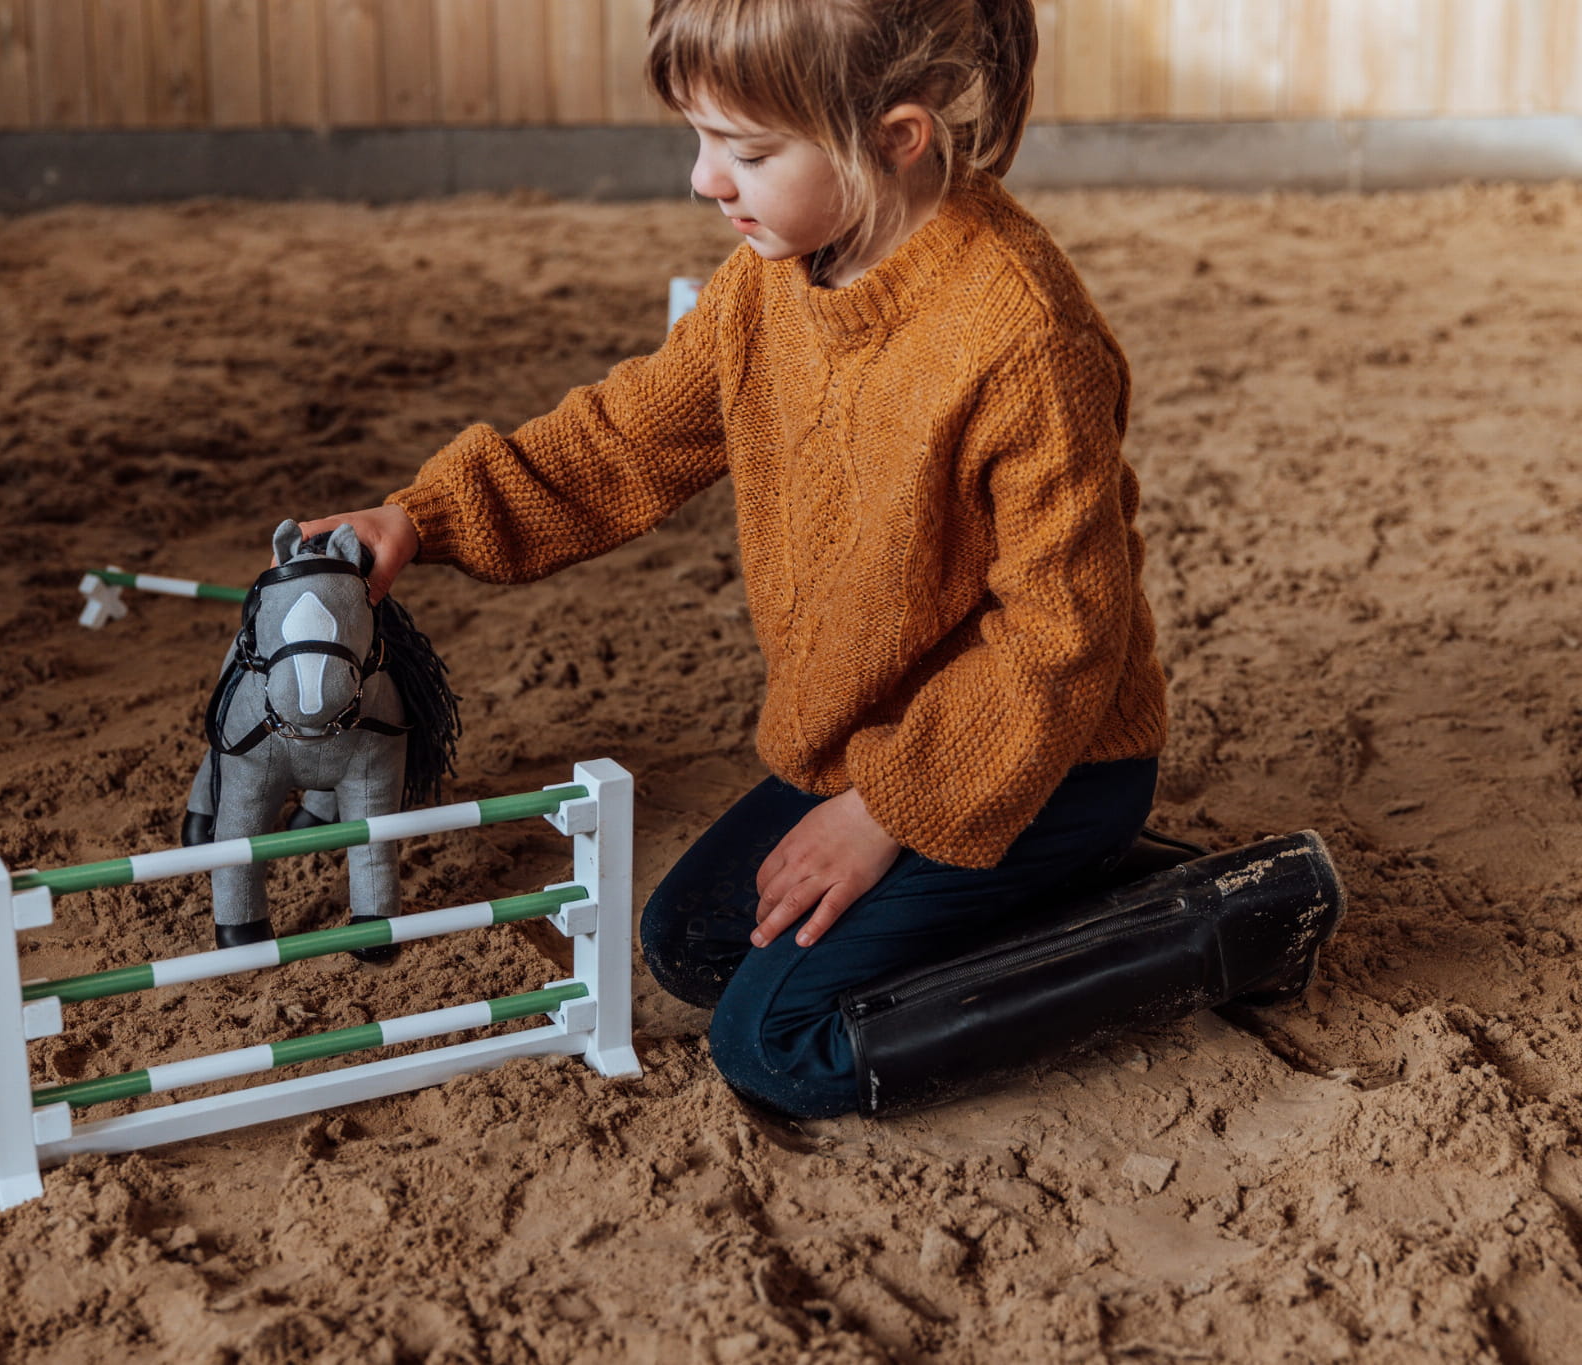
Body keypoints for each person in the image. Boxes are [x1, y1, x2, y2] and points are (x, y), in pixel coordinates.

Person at [287, 0, 1339, 1119]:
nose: (704, 180)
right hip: (869, 735)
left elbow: (1059, 640)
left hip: (1048, 755)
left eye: (746, 152)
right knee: (692, 943)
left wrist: (886, 812)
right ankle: (1076, 885)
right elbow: (627, 438)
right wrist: (423, 517)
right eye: (700, 139)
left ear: (895, 139)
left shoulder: (1025, 338)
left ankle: (1221, 921)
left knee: (778, 1045)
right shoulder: (768, 279)